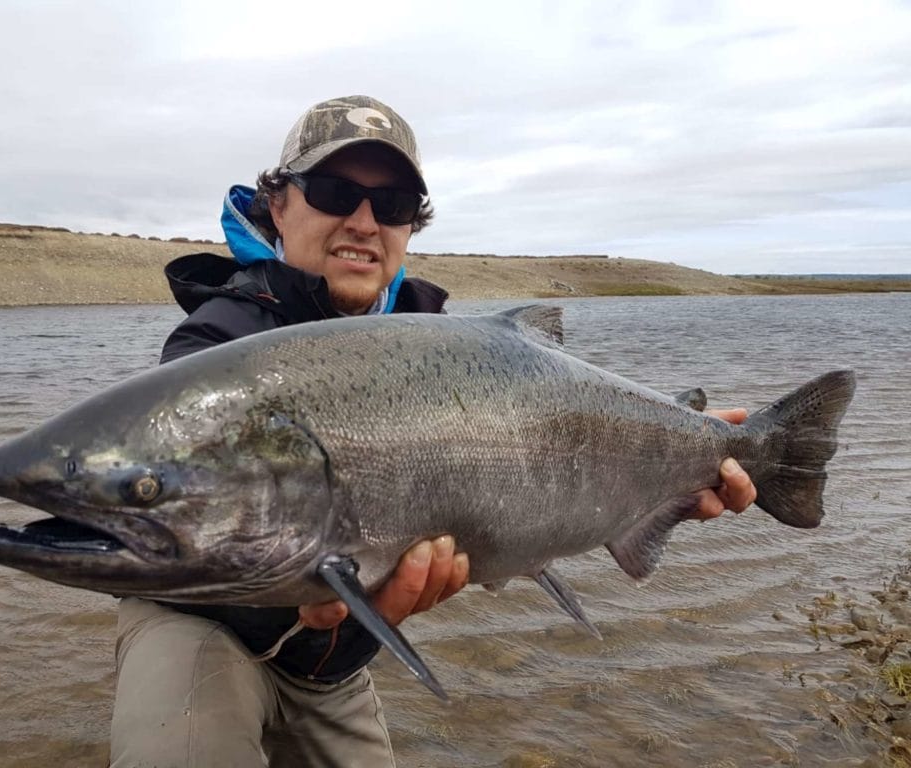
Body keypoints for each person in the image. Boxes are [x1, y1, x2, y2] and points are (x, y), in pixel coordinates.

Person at [108, 95, 757, 768]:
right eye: (334, 192)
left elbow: (560, 456)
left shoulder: (449, 351)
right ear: (278, 204)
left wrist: (682, 470)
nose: (363, 222)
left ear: (409, 228)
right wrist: (310, 602)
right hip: (196, 621)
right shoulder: (216, 342)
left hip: (335, 660)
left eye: (391, 206)